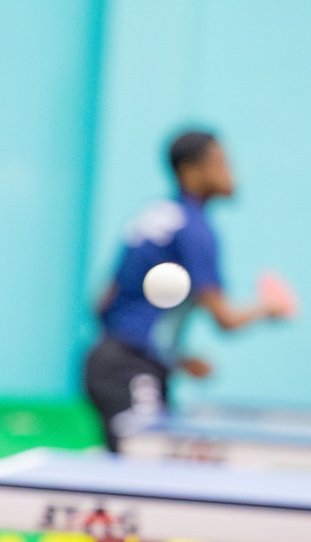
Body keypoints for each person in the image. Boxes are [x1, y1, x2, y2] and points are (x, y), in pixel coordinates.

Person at [84, 128, 289, 450]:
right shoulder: (195, 230)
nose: (230, 172)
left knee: (139, 468)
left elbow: (103, 304)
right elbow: (226, 320)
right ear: (191, 172)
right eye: (220, 162)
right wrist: (269, 306)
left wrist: (173, 358)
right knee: (144, 466)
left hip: (112, 360)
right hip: (131, 370)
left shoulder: (153, 215)